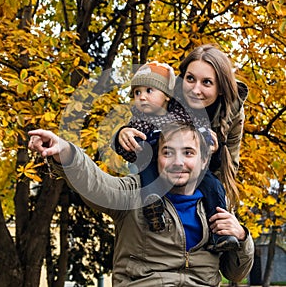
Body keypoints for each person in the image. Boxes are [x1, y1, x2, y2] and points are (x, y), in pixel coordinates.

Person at [28, 122, 254, 287]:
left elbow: (235, 273)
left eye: (188, 153)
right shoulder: (136, 193)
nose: (178, 162)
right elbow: (97, 185)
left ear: (204, 159)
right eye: (168, 152)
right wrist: (65, 152)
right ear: (157, 158)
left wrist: (242, 237)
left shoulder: (216, 205)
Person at [112, 61, 239, 252]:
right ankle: (153, 206)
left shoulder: (180, 112)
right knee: (146, 170)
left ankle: (220, 232)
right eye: (137, 93)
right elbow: (129, 151)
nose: (142, 98)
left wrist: (210, 142)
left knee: (213, 185)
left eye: (149, 91)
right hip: (155, 165)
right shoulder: (138, 121)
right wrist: (122, 138)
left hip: (187, 167)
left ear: (166, 96)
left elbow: (197, 128)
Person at [175, 44, 249, 208]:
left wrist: (215, 154)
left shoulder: (232, 112)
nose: (195, 90)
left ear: (221, 88)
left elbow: (229, 168)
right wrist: (123, 133)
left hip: (206, 179)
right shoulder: (166, 95)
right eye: (190, 78)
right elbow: (140, 122)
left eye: (207, 82)